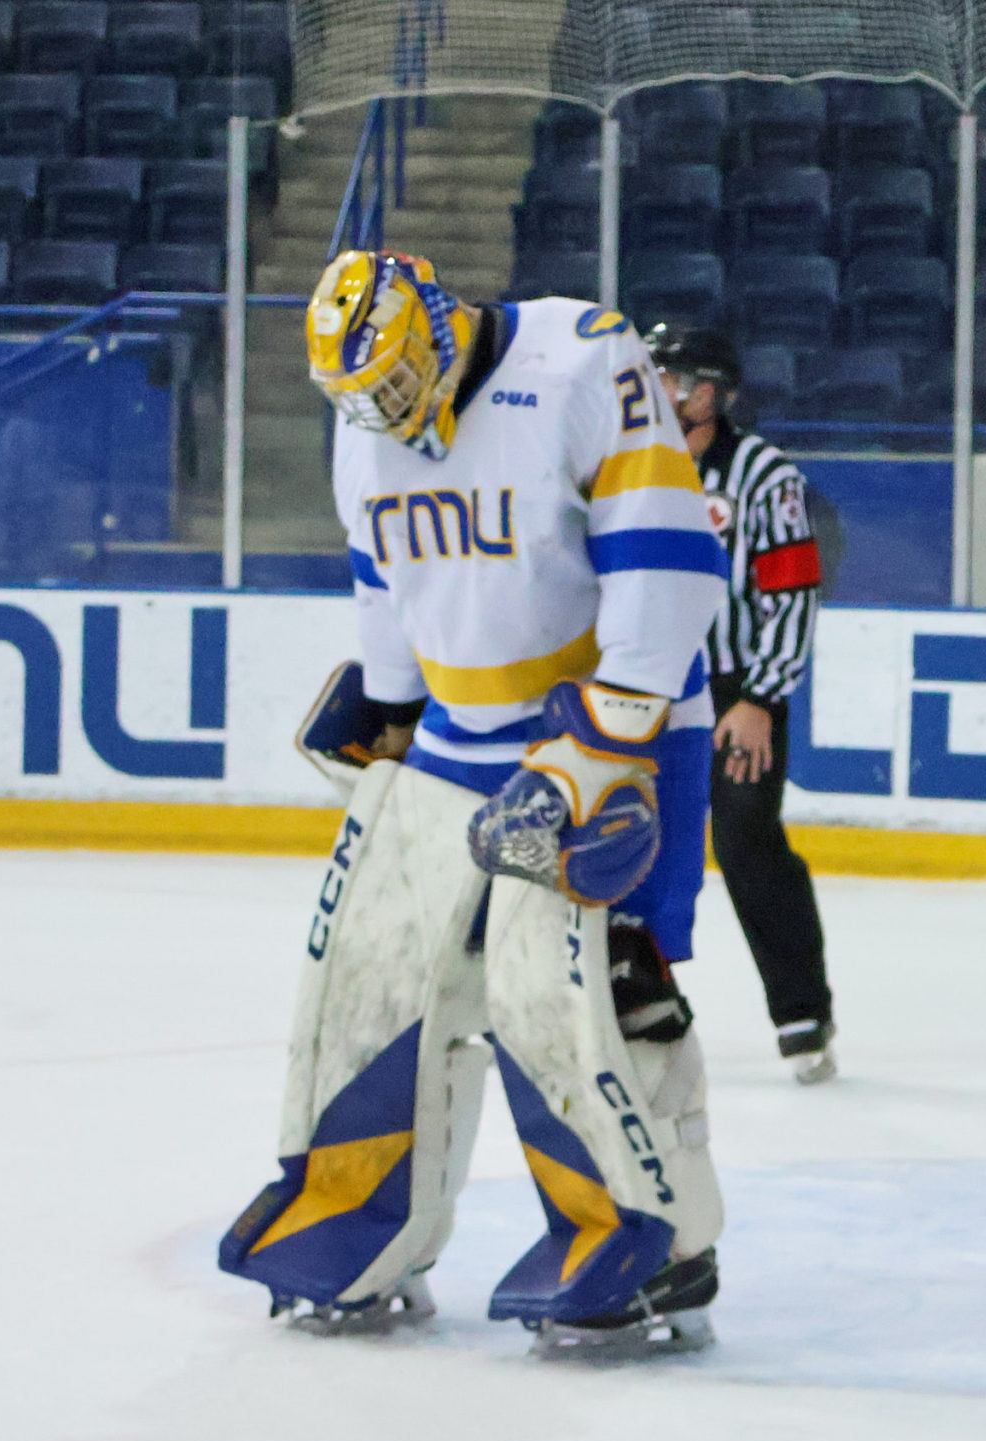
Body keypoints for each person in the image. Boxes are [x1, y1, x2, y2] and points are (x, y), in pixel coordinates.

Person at [217, 250, 730, 1356]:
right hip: (453, 744)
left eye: (399, 385)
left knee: (590, 992)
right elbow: (384, 579)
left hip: (598, 732)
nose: (386, 415)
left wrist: (619, 726)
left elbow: (670, 555)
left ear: (439, 325)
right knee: (374, 981)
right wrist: (389, 714)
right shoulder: (365, 417)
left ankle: (661, 1242)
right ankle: (358, 1216)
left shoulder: (585, 354)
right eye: (365, 401)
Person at [644, 323, 839, 1085]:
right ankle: (644, 994)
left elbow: (793, 589)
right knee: (630, 842)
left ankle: (802, 1010)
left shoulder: (762, 473)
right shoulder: (629, 466)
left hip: (734, 692)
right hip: (648, 686)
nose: (658, 390)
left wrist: (761, 697)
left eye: (672, 377)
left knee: (747, 841)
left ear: (708, 392)